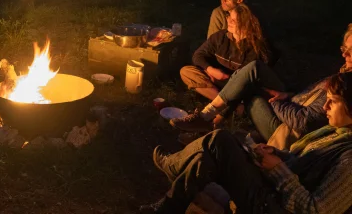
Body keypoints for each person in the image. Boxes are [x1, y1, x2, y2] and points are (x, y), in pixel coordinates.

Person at [139, 72, 352, 214]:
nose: (325, 108)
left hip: (275, 206)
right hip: (274, 189)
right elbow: (304, 162)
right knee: (218, 147)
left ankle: (174, 167)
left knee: (220, 141)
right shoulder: (338, 132)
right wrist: (277, 154)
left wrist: (278, 169)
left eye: (333, 102)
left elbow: (315, 209)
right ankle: (167, 205)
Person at [172, 24, 352, 140]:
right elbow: (199, 55)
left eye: (351, 51)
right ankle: (209, 122)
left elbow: (303, 122)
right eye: (344, 48)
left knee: (251, 74)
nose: (344, 54)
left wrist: (279, 101)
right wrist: (287, 95)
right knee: (245, 76)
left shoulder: (346, 86)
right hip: (288, 103)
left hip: (286, 132)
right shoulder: (344, 73)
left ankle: (207, 119)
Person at [180, 3, 270, 101]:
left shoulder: (255, 48)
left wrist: (223, 78)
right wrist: (210, 70)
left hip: (236, 85)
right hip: (214, 77)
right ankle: (226, 103)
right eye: (229, 17)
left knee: (250, 91)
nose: (229, 21)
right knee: (186, 71)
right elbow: (198, 55)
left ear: (246, 24)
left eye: (234, 20)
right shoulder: (221, 37)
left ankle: (223, 103)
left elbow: (246, 78)